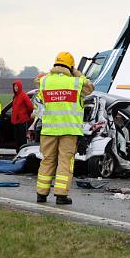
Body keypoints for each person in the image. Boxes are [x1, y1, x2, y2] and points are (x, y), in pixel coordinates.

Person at [34, 52, 94, 205]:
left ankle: (41, 193)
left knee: (47, 161)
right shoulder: (76, 82)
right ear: (71, 67)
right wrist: (77, 73)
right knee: (65, 162)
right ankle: (61, 195)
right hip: (69, 130)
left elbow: (37, 82)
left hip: (49, 130)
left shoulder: (45, 81)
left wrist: (53, 73)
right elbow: (90, 87)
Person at [11, 79, 33, 151]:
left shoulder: (23, 95)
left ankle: (22, 153)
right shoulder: (15, 96)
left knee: (22, 140)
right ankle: (18, 152)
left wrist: (27, 115)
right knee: (17, 140)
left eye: (17, 86)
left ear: (20, 86)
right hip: (15, 122)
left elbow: (30, 107)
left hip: (22, 121)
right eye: (15, 86)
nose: (16, 88)